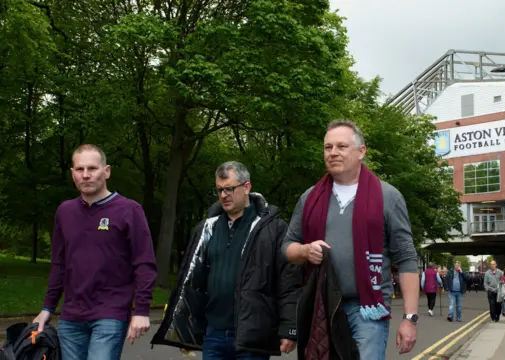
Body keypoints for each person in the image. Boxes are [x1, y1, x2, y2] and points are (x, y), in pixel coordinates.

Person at [282, 119, 420, 359]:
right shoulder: (309, 198)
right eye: (328, 147)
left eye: (342, 146)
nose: (333, 153)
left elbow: (407, 259)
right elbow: (286, 248)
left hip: (368, 310)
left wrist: (409, 318)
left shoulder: (388, 197)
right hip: (320, 307)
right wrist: (305, 251)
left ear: (361, 152)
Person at [151, 161, 302, 359]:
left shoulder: (273, 230)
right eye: (219, 190)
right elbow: (193, 283)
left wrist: (289, 327)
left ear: (246, 187)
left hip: (252, 335)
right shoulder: (206, 229)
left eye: (229, 189)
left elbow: (289, 281)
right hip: (213, 334)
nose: (223, 195)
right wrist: (186, 329)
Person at [32, 144, 158, 360]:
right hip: (71, 316)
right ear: (73, 174)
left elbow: (144, 263)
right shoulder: (65, 211)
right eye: (80, 169)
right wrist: (47, 308)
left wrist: (141, 310)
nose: (86, 175)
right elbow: (59, 264)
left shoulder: (129, 210)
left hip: (110, 313)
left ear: (106, 171)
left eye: (92, 168)